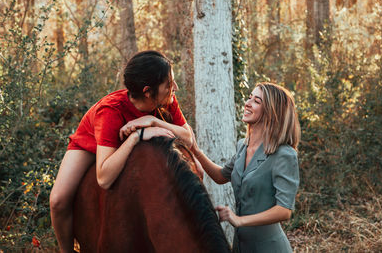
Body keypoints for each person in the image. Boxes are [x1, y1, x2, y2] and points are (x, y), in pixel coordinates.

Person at [49, 50, 194, 253]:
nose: (175, 88)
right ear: (147, 91)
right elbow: (104, 178)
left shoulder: (165, 100)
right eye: (169, 84)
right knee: (58, 200)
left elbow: (189, 138)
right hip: (90, 144)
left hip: (125, 143)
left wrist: (153, 121)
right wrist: (136, 137)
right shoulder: (110, 111)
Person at [191, 82, 300, 253]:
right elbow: (220, 176)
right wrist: (195, 150)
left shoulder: (284, 154)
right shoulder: (242, 146)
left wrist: (239, 220)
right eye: (249, 98)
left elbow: (284, 210)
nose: (247, 103)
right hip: (241, 247)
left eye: (257, 101)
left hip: (269, 248)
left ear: (272, 112)